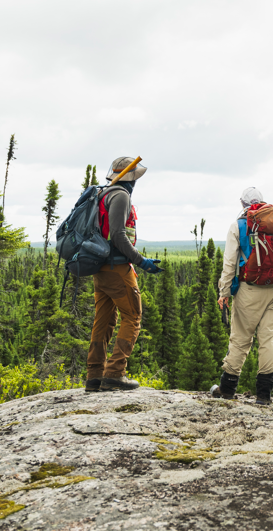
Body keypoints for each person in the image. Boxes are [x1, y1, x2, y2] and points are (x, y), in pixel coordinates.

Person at [214, 187, 273, 405]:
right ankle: (264, 394)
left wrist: (224, 292)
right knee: (269, 339)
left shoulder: (239, 226)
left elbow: (229, 264)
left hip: (250, 289)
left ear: (242, 204)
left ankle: (227, 388)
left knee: (241, 338)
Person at [85, 157, 163, 392]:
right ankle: (115, 374)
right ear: (132, 178)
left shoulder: (102, 194)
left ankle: (94, 375)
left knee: (104, 320)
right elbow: (118, 235)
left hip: (100, 268)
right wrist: (141, 261)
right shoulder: (120, 195)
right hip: (117, 267)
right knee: (132, 317)